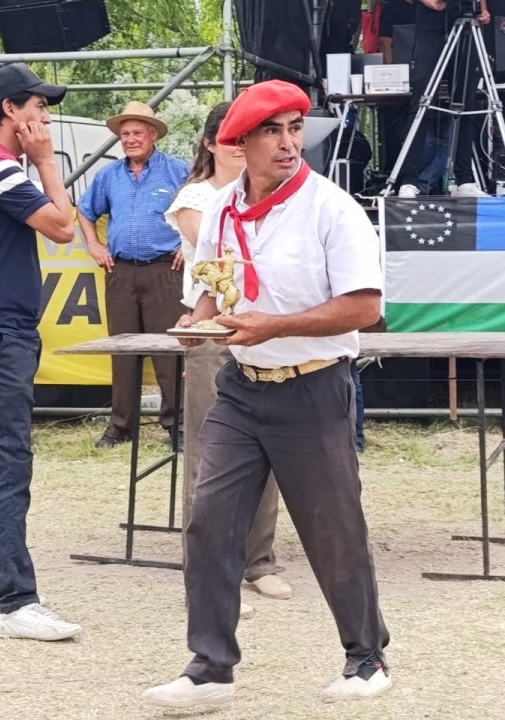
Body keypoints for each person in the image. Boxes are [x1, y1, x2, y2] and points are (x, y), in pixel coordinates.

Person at [143, 79, 390, 709]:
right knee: (208, 521)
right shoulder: (221, 207)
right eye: (271, 131)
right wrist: (197, 322)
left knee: (333, 529)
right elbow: (210, 285)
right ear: (239, 143)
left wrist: (272, 326)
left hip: (314, 386)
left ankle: (366, 659)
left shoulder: (331, 208)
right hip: (242, 387)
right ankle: (210, 668)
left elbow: (365, 307)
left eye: (294, 129)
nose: (288, 144)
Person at [0, 63, 82, 640]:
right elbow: (62, 227)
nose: (45, 118)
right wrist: (48, 162)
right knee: (6, 461)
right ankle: (16, 603)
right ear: (11, 110)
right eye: (40, 106)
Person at [164, 102, 292, 622]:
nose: (239, 146)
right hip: (214, 331)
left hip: (267, 329)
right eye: (231, 137)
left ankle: (258, 560)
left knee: (270, 444)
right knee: (209, 449)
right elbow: (221, 250)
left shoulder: (275, 196)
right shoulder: (197, 198)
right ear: (211, 144)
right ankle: (207, 564)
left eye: (247, 136)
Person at [77, 101, 189, 450]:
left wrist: (189, 244)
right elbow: (84, 211)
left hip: (165, 270)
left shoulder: (177, 171)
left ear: (153, 134)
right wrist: (94, 245)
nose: (130, 139)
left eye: (137, 132)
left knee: (170, 351)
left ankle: (177, 425)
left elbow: (202, 209)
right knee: (123, 350)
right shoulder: (108, 176)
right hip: (120, 271)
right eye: (125, 134)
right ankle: (120, 427)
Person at [398, 0, 491, 198]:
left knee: (466, 104)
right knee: (423, 102)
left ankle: (465, 180)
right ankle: (409, 180)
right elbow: (434, 4)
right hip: (431, 27)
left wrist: (482, 10)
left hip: (467, 23)